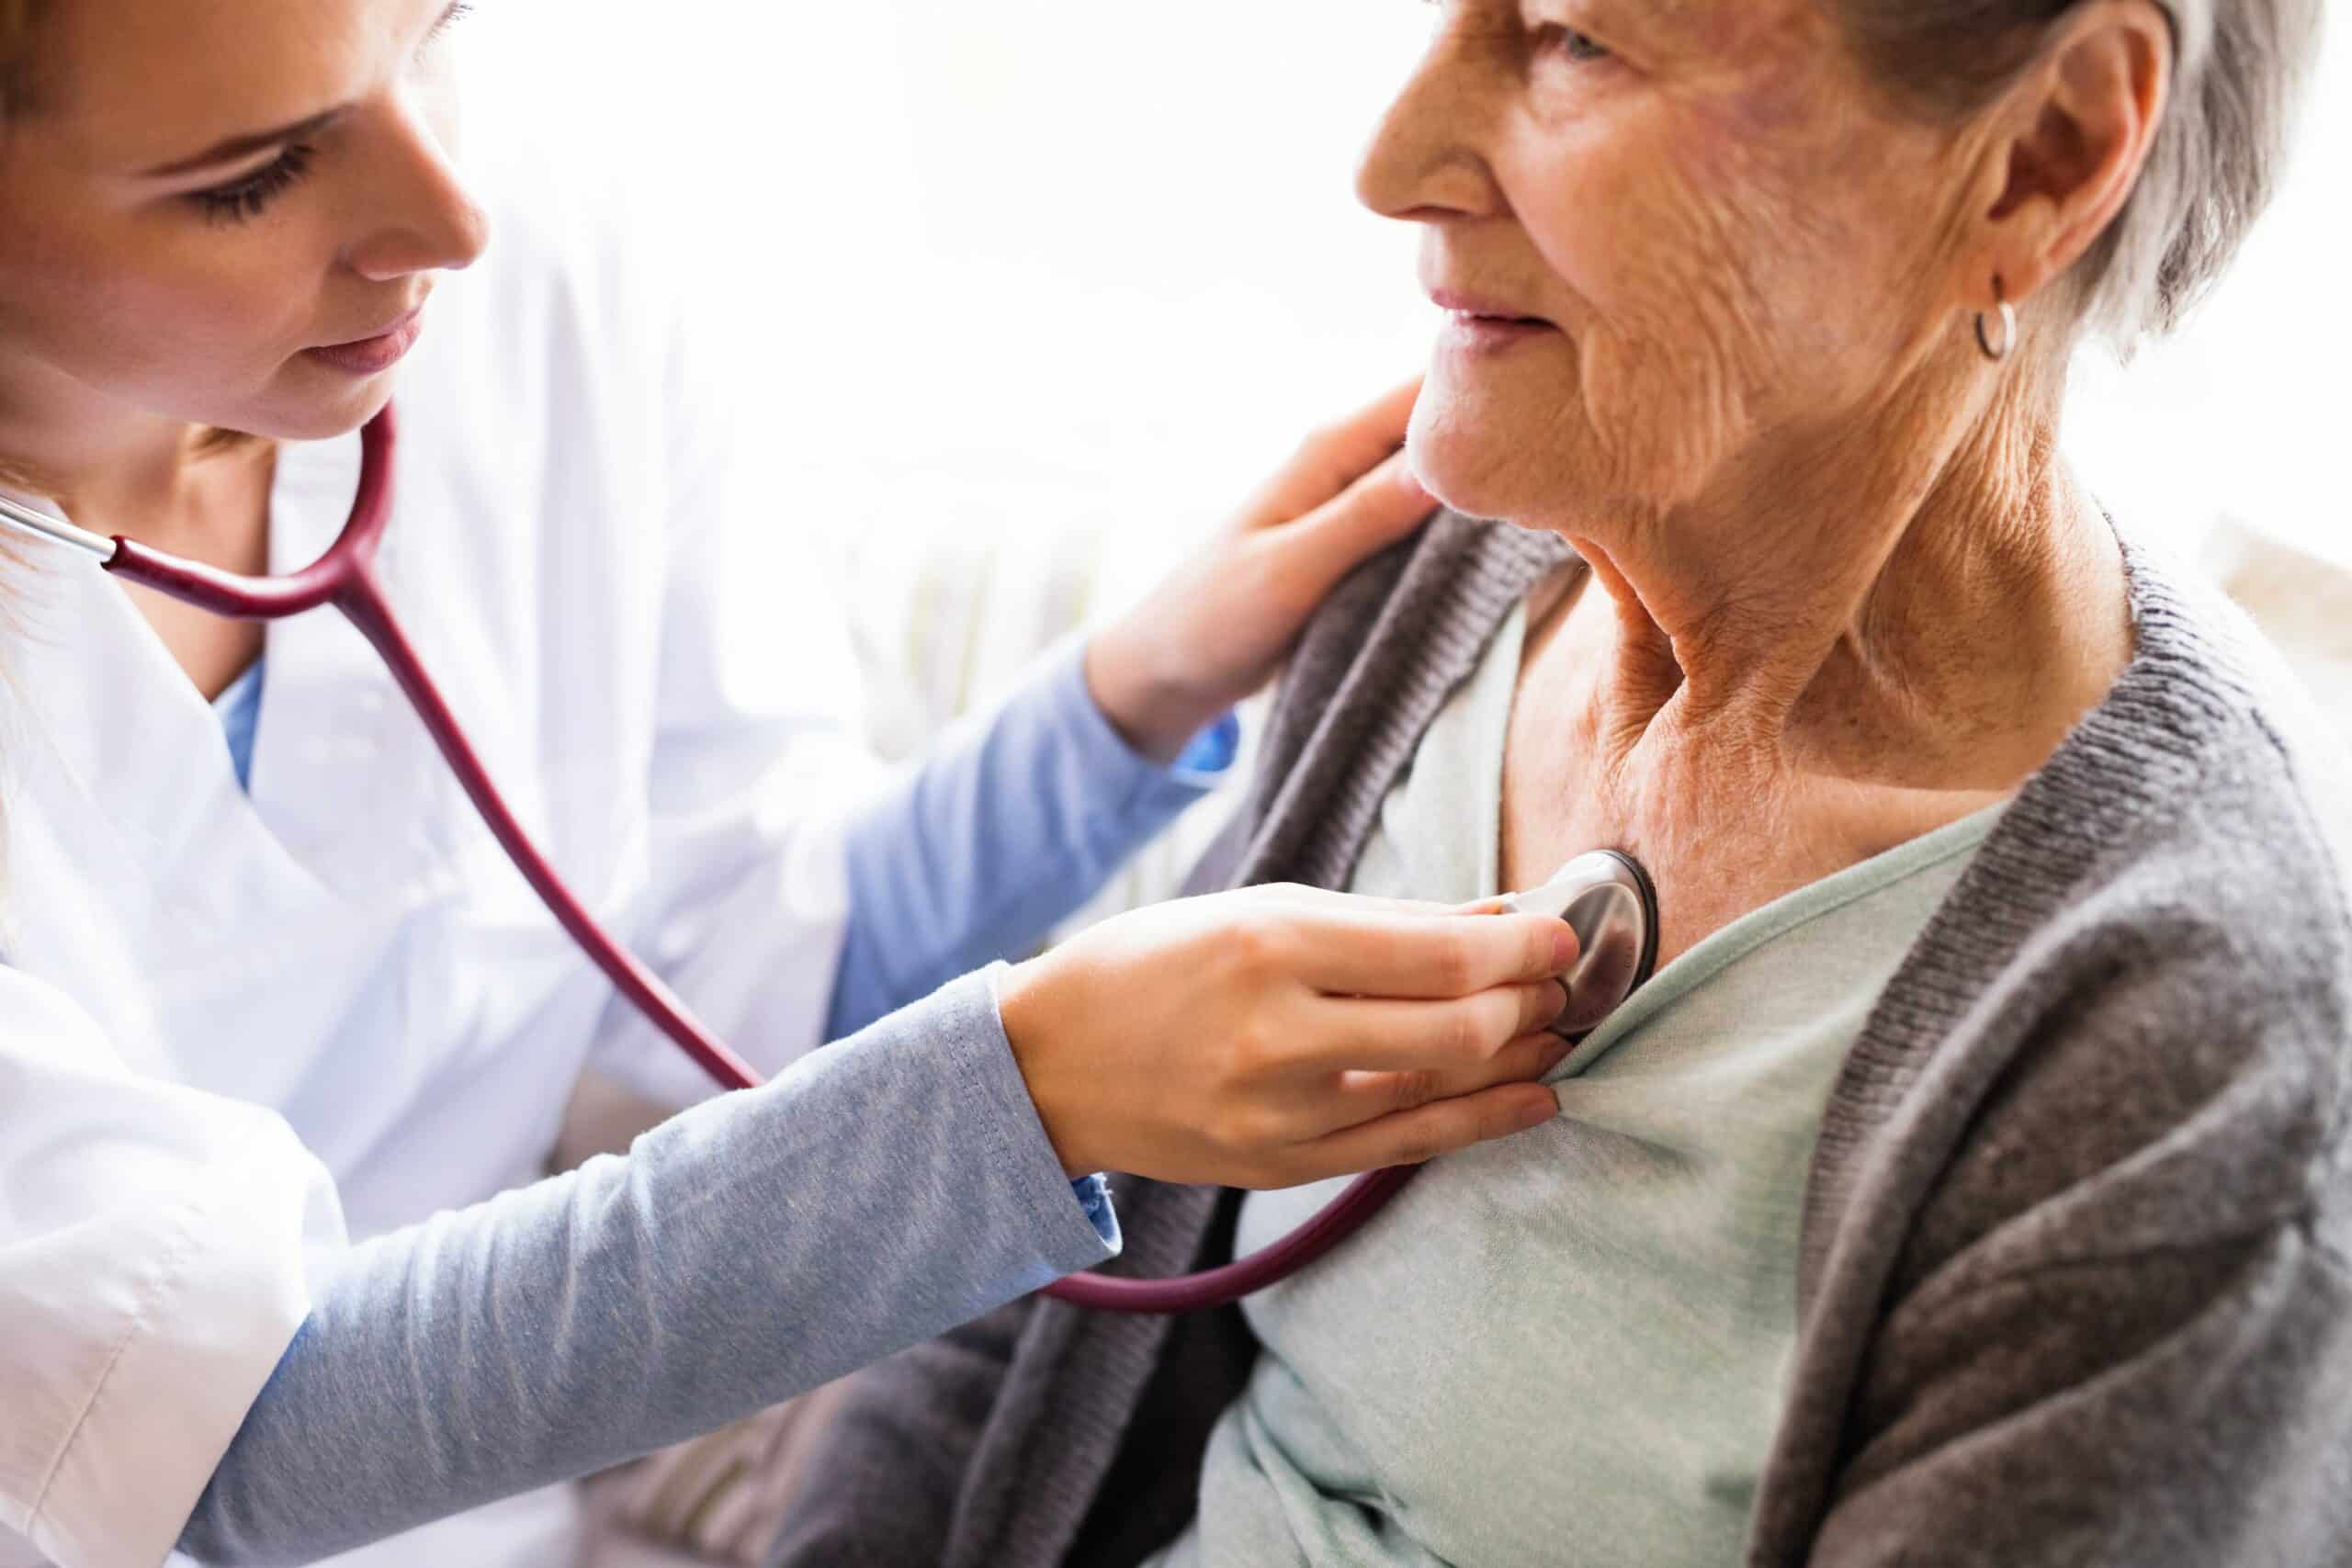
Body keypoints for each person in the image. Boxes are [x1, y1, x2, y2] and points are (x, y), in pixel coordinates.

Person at [760, 0, 2352, 1564]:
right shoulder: (1445, 575)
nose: (1392, 165)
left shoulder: (2185, 1038)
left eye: (1574, 37)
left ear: (2041, 154)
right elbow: (1028, 1327)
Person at [0, 3, 1594, 1564]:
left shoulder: (523, 276)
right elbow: (218, 1437)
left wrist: (1123, 701)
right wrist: (1023, 1099)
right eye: (255, 174)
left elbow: (744, 945)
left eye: (432, 27)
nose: (452, 215)